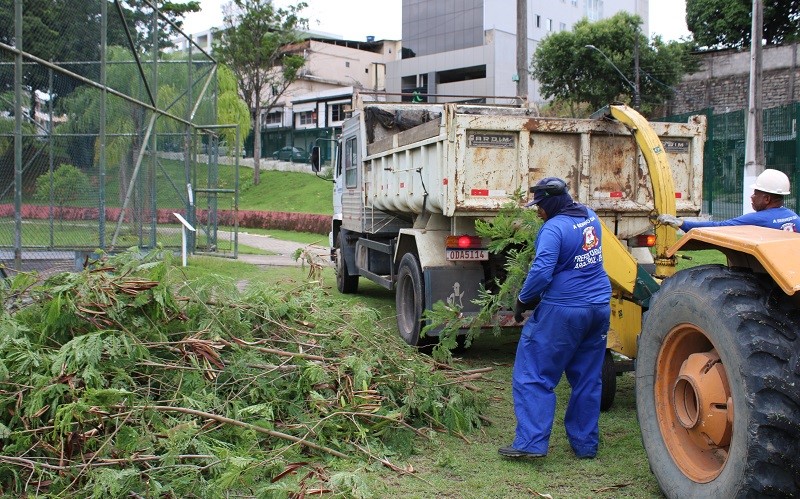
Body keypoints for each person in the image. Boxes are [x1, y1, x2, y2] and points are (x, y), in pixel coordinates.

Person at [499, 177, 612, 460]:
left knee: (534, 373)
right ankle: (585, 446)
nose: (538, 211)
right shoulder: (589, 216)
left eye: (540, 206)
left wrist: (524, 300)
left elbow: (541, 271)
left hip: (564, 308)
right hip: (598, 305)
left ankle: (530, 443)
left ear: (550, 203)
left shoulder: (553, 229)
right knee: (587, 377)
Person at [657, 169, 799, 232]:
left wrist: (682, 223)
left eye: (756, 194)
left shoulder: (758, 219)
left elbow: (720, 226)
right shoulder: (794, 217)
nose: (752, 197)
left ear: (767, 199)